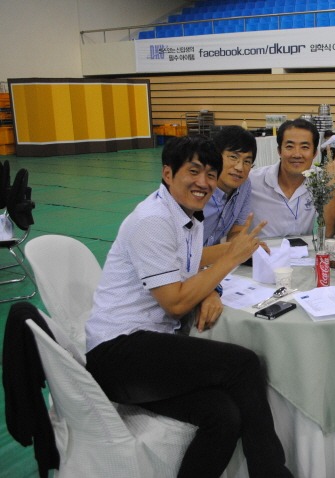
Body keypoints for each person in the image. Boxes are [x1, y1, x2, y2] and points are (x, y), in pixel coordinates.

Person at [84, 136, 293, 478]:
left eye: (210, 174)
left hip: (144, 349)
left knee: (223, 415)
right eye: (194, 172)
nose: (203, 182)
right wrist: (230, 259)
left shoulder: (185, 217)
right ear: (168, 173)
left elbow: (190, 261)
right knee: (243, 364)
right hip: (118, 354)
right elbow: (176, 303)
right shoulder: (152, 220)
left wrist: (234, 250)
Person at [250, 118, 335, 238]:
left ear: (314, 153)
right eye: (289, 146)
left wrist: (332, 187)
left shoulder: (320, 179)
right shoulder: (252, 181)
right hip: (263, 248)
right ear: (279, 151)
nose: (297, 154)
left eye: (304, 147)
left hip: (302, 249)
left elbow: (329, 232)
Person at [202, 126, 256, 246]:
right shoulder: (199, 188)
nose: (239, 168)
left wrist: (243, 246)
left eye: (247, 161)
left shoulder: (244, 186)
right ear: (216, 156)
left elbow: (236, 231)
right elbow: (185, 253)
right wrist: (230, 250)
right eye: (233, 157)